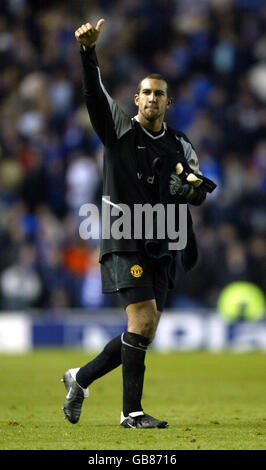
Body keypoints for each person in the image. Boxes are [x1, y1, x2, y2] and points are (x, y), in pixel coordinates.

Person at [62, 18, 215, 429]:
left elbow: (197, 190)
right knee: (143, 320)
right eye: (145, 93)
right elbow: (94, 94)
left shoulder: (181, 144)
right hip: (123, 235)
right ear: (136, 99)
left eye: (159, 94)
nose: (151, 99)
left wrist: (191, 194)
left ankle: (80, 378)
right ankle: (131, 413)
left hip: (163, 242)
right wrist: (87, 52)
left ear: (167, 104)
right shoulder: (119, 130)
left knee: (143, 331)